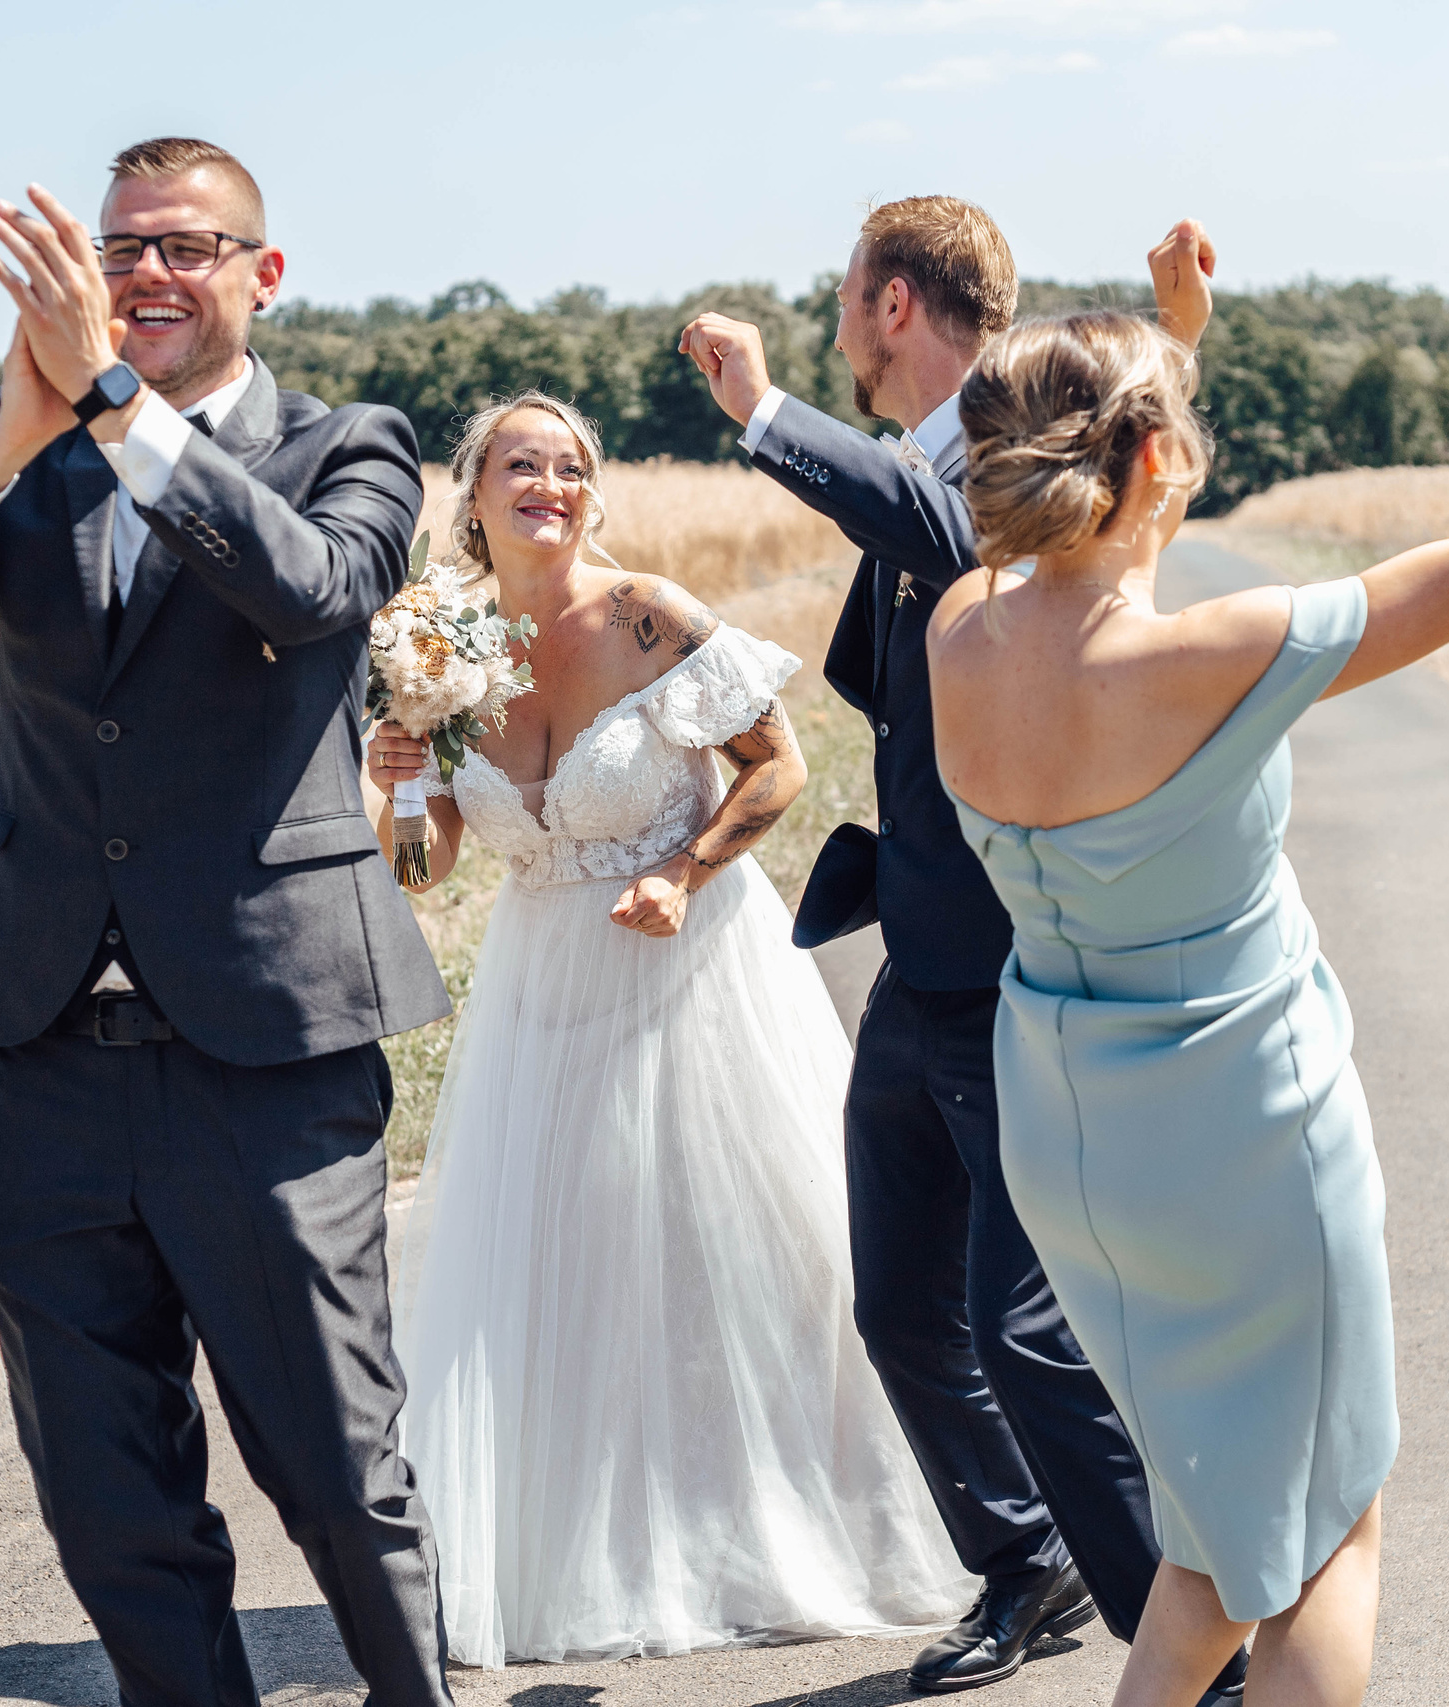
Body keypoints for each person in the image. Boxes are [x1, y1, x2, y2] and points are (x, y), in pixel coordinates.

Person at [924, 212, 1449, 1706]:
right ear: (1157, 459)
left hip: (1073, 1145)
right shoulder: (1219, 653)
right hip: (1244, 1134)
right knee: (1321, 1542)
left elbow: (1095, 521)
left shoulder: (961, 634)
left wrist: (1171, 342)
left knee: (1212, 1541)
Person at [0, 138, 457, 1707]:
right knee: (107, 1485)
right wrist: (8, 435)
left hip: (267, 1050)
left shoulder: (349, 445)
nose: (145, 272)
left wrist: (113, 402)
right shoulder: (37, 458)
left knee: (334, 1458)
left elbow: (310, 589)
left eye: (183, 245)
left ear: (262, 274)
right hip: (43, 1048)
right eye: (120, 250)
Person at [679, 198, 1248, 1701]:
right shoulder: (940, 468)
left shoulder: (991, 472)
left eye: (843, 305)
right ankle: (1020, 1557)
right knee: (900, 1303)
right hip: (916, 956)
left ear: (889, 305)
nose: (837, 337)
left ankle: (1197, 1653)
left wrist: (763, 413)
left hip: (1014, 969)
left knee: (1027, 1331)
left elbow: (966, 518)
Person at [368, 392, 975, 1669]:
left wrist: (683, 872)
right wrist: (402, 790)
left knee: (742, 1242)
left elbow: (777, 764)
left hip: (688, 959)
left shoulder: (648, 613)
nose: (549, 484)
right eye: (522, 464)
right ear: (474, 493)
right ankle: (594, 1543)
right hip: (542, 982)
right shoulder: (438, 641)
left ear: (594, 493)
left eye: (570, 466)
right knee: (570, 1259)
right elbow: (427, 871)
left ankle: (823, 1513)